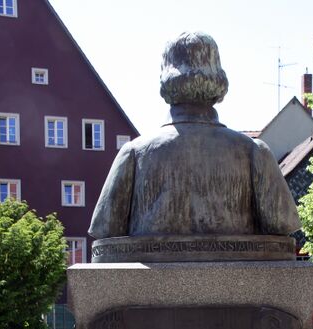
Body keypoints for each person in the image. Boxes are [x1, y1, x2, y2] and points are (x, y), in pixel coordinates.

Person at [89, 32, 300, 240]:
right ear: (218, 77)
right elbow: (282, 223)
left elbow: (105, 228)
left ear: (165, 77)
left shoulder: (134, 154)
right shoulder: (253, 152)